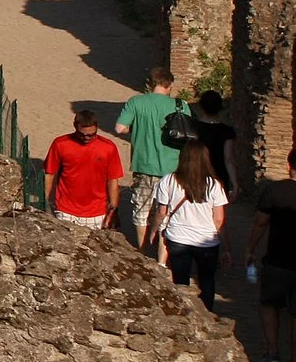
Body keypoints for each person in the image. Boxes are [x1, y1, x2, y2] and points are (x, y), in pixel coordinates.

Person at [147, 140, 229, 310]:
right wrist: (226, 246)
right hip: (207, 241)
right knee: (207, 279)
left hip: (178, 238)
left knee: (180, 279)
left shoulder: (169, 180)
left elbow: (161, 212)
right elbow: (219, 220)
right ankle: (207, 313)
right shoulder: (214, 185)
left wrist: (153, 231)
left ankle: (182, 313)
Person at [115, 67, 185, 242]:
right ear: (169, 84)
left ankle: (142, 247)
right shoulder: (180, 105)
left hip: (144, 164)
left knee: (141, 209)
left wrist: (137, 128)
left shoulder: (136, 102)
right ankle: (162, 252)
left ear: (150, 84)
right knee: (166, 211)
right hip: (172, 167)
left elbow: (120, 128)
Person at [245, 148, 296, 362]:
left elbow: (260, 222)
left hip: (277, 258)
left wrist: (250, 248)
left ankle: (273, 352)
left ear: (288, 165)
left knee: (270, 304)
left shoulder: (275, 191)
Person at [43, 107, 127, 230]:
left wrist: (113, 210)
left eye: (91, 135)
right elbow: (50, 174)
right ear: (75, 126)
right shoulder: (60, 144)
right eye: (82, 134)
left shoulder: (108, 148)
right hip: (65, 210)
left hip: (97, 213)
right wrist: (45, 201)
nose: (86, 138)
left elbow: (113, 180)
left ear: (97, 127)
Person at [192, 90, 237, 197]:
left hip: (195, 173)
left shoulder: (192, 127)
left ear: (201, 106)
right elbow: (228, 159)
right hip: (218, 176)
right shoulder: (227, 131)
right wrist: (235, 183)